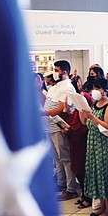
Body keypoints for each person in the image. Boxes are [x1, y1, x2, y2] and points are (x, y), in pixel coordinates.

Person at [79, 78, 108, 216]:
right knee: (96, 175)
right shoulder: (95, 104)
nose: (94, 91)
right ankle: (101, 206)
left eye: (97, 88)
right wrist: (82, 109)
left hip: (104, 146)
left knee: (105, 176)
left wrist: (91, 117)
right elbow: (84, 122)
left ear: (104, 89)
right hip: (93, 145)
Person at [41, 60, 80, 200]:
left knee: (65, 157)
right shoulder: (54, 87)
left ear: (64, 72)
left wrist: (43, 113)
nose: (54, 72)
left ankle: (71, 188)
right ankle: (61, 182)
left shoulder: (68, 87)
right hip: (49, 126)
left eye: (56, 70)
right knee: (56, 157)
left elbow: (63, 109)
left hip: (58, 126)